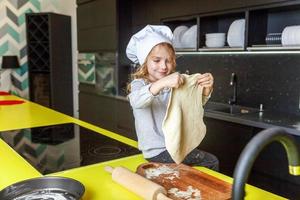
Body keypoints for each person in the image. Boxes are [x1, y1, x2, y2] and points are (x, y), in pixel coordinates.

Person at [126, 25, 219, 171]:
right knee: (211, 162)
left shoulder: (173, 84)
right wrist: (162, 83)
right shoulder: (139, 84)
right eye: (156, 60)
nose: (163, 66)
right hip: (157, 151)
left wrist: (206, 89)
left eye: (168, 61)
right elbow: (136, 101)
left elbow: (193, 105)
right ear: (145, 61)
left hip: (175, 145)